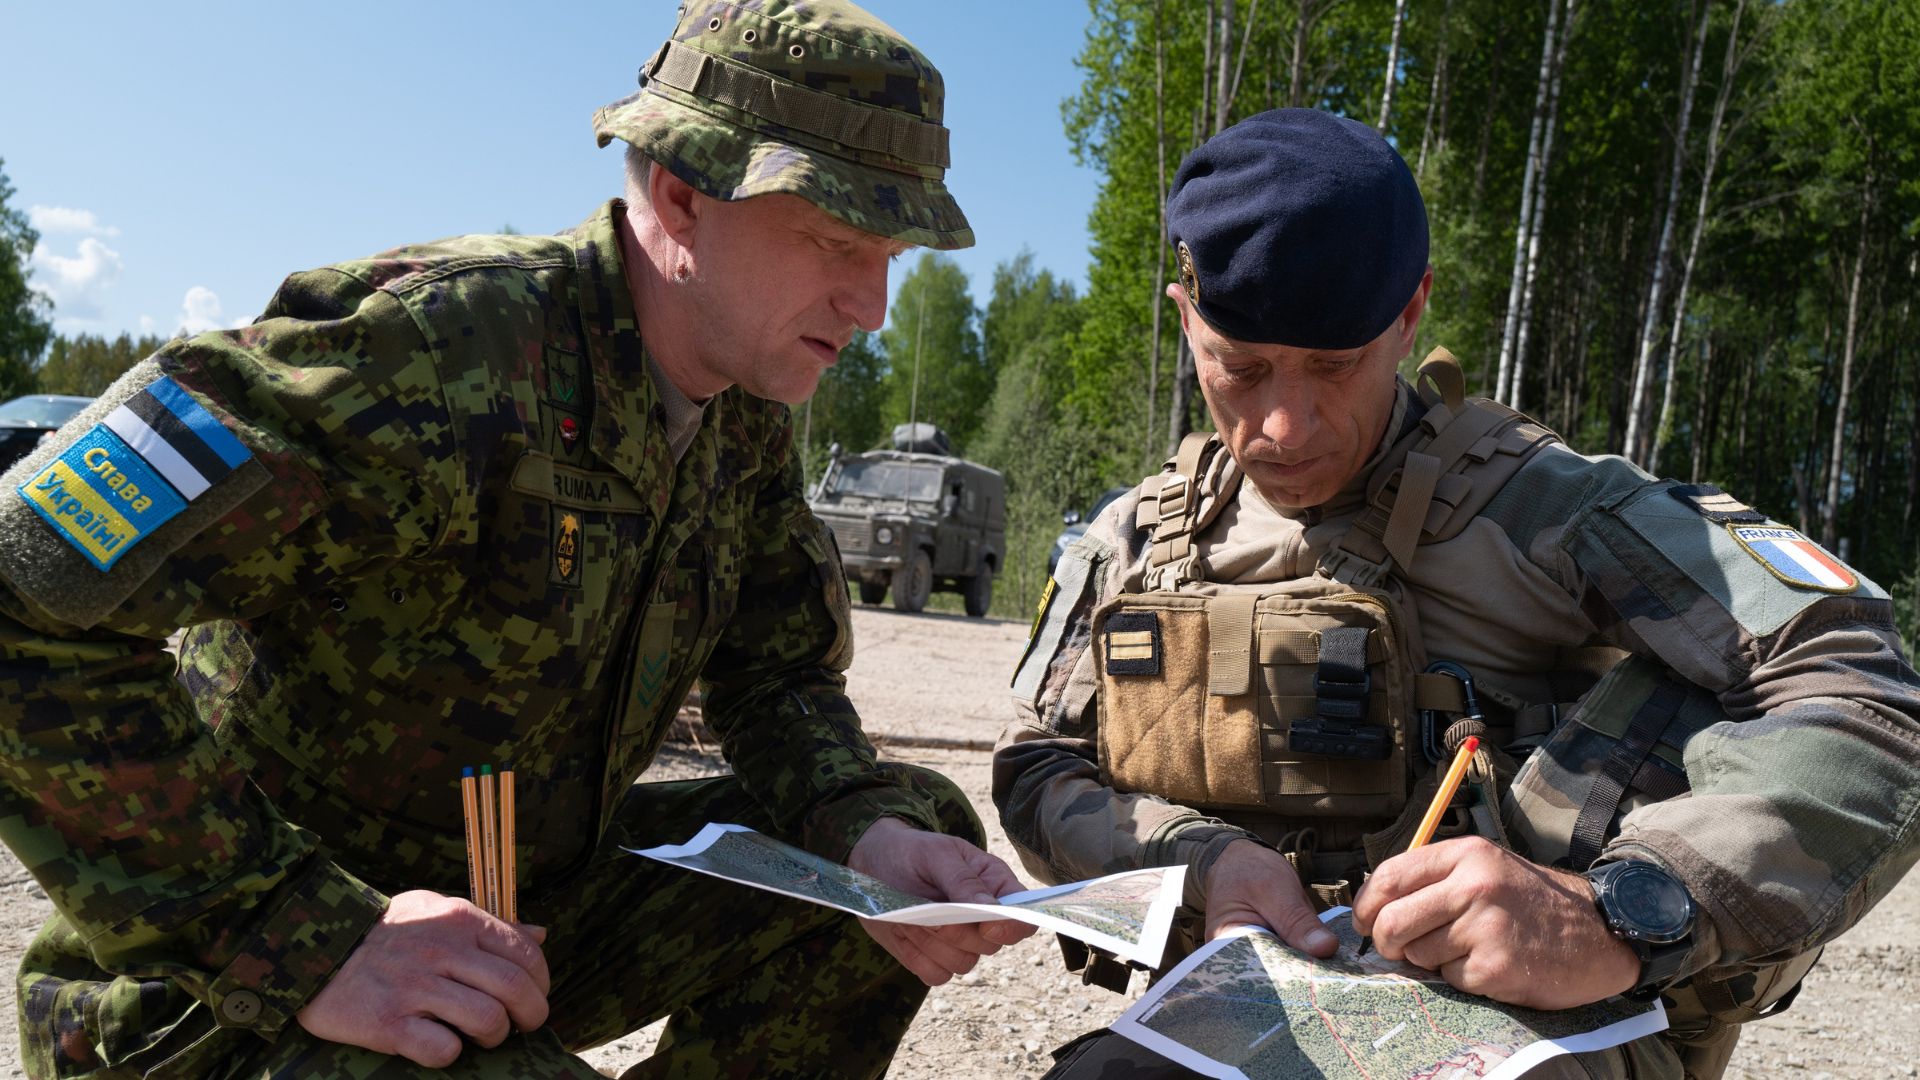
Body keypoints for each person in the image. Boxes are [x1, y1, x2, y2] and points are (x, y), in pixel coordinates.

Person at [0, 3, 1035, 1077]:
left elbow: (775, 681)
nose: (870, 306)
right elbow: (18, 584)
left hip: (515, 919)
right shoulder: (434, 357)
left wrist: (857, 830)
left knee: (900, 843)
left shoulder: (741, 421)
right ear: (681, 195)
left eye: (891, 255)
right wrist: (302, 930)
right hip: (241, 986)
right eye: (833, 241)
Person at [995, 108, 1920, 1079]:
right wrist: (1206, 863)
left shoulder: (1551, 509)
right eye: (1241, 364)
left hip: (1522, 1032)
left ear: (1410, 313)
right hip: (1230, 1026)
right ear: (1186, 314)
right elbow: (1038, 763)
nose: (1283, 423)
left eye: (1333, 366)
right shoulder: (1142, 536)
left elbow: (1868, 691)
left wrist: (1618, 911)